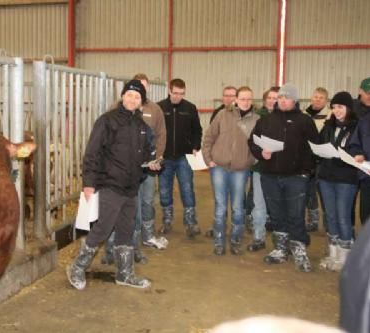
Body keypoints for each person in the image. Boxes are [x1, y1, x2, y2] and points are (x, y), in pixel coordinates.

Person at [67, 80, 160, 290]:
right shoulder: (107, 121)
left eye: (137, 97)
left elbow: (145, 155)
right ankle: (77, 267)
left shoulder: (142, 127)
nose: (132, 99)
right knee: (103, 228)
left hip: (131, 187)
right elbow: (92, 153)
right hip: (110, 183)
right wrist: (89, 183)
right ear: (123, 96)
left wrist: (151, 164)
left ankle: (124, 274)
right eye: (129, 95)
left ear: (141, 102)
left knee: (126, 230)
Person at [248, 83, 319, 272]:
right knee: (277, 213)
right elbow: (253, 141)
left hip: (296, 177)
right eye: (280, 98)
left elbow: (315, 147)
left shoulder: (305, 121)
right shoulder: (266, 120)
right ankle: (280, 248)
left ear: (294, 100)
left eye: (286, 98)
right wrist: (261, 153)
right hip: (270, 175)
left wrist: (307, 171)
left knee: (295, 214)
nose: (282, 101)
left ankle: (299, 249)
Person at [102, 74, 168, 266]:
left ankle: (134, 249)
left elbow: (160, 135)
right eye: (133, 91)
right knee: (115, 211)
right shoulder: (114, 112)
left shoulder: (153, 110)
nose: (136, 95)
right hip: (120, 171)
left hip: (143, 169)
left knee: (138, 209)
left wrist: (157, 158)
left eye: (142, 90)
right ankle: (109, 250)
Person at [203, 86, 259, 255]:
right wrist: (209, 159)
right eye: (242, 99)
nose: (246, 102)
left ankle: (235, 240)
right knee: (220, 206)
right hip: (219, 167)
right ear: (236, 99)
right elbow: (209, 138)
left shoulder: (256, 120)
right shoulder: (222, 115)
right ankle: (219, 241)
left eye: (249, 99)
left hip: (240, 170)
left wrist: (250, 161)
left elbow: (259, 145)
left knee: (237, 207)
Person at [317, 91, 358, 272]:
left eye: (340, 107)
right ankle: (333, 253)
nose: (337, 111)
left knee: (343, 216)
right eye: (334, 107)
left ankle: (345, 256)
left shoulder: (357, 127)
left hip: (346, 178)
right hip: (326, 177)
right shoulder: (327, 126)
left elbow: (358, 149)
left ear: (348, 108)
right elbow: (318, 145)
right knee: (331, 216)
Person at [157, 78, 203, 238]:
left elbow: (197, 129)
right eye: (175, 93)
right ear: (169, 91)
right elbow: (154, 131)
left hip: (184, 157)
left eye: (181, 94)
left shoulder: (190, 108)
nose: (178, 97)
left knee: (187, 188)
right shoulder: (160, 107)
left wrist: (196, 146)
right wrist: (157, 152)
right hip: (165, 157)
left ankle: (190, 223)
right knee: (164, 190)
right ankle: (167, 221)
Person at [247, 86, 279, 251]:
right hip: (261, 168)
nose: (273, 100)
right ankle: (258, 237)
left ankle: (280, 242)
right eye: (270, 98)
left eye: (276, 98)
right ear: (265, 100)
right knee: (258, 204)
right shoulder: (259, 119)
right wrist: (260, 153)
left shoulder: (287, 119)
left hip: (280, 170)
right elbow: (252, 142)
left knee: (278, 205)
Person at [303, 87, 330, 232]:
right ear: (311, 98)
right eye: (316, 96)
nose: (318, 99)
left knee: (325, 192)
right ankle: (313, 220)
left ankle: (328, 221)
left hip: (324, 161)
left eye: (321, 97)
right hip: (307, 161)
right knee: (309, 191)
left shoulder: (330, 116)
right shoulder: (303, 115)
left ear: (326, 101)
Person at [347, 96, 370, 226]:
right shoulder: (364, 121)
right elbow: (355, 144)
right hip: (367, 177)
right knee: (366, 215)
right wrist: (358, 154)